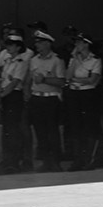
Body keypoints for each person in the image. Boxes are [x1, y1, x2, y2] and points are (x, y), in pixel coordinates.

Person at [26, 30, 66, 173]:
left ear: (48, 43)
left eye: (40, 42)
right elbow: (30, 79)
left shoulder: (57, 60)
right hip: (37, 97)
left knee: (52, 131)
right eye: (36, 42)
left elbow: (61, 81)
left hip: (51, 98)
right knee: (40, 132)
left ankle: (55, 161)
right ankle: (46, 161)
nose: (37, 45)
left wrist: (44, 79)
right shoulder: (34, 60)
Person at [64, 33, 103, 171]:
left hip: (88, 94)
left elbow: (92, 80)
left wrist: (75, 80)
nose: (76, 45)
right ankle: (78, 159)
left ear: (86, 44)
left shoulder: (95, 60)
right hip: (75, 93)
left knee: (89, 126)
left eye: (79, 42)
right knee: (76, 126)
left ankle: (90, 159)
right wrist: (74, 58)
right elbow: (67, 77)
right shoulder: (74, 59)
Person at [0, 33, 30, 175]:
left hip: (14, 96)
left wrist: (2, 95)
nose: (8, 47)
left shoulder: (21, 62)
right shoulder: (7, 61)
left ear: (18, 47)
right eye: (7, 44)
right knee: (7, 130)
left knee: (14, 130)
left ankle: (14, 161)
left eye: (11, 45)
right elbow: (2, 79)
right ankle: (7, 160)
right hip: (5, 95)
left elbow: (15, 82)